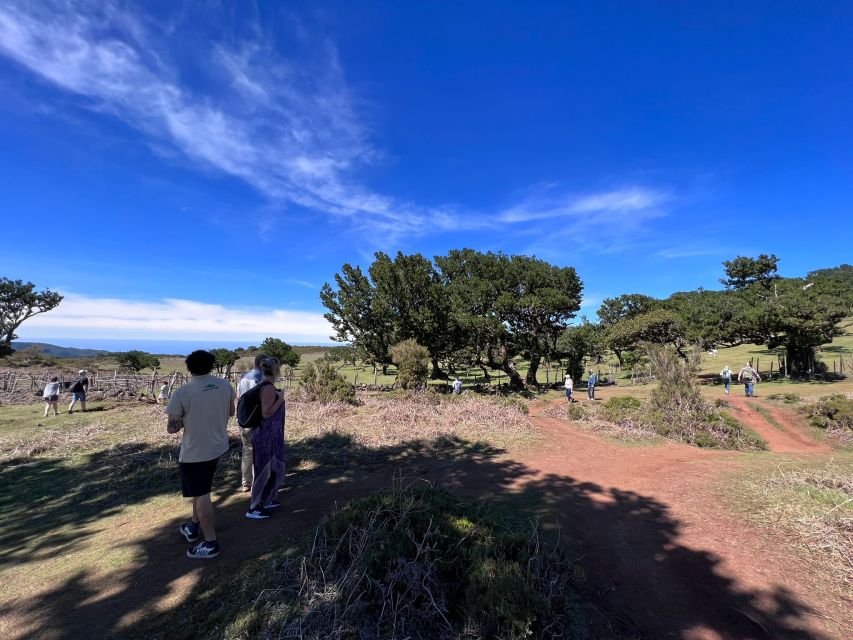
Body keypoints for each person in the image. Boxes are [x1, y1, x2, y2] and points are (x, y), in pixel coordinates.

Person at [166, 350, 236, 559]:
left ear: (189, 368)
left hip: (194, 452)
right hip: (218, 446)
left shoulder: (182, 392)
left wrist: (182, 420)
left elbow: (172, 428)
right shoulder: (224, 385)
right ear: (211, 366)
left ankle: (211, 543)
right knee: (200, 490)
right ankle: (193, 526)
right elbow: (231, 412)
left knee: (202, 493)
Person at [245, 357, 286, 520]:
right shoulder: (268, 388)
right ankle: (254, 506)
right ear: (276, 370)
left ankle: (266, 499)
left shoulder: (264, 385)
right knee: (263, 469)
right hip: (265, 435)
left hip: (270, 435)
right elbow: (266, 413)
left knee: (273, 468)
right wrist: (281, 399)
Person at [236, 353, 268, 492]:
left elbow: (238, 398)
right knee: (260, 451)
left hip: (243, 419)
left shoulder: (243, 377)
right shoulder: (262, 377)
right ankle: (259, 482)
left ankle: (246, 482)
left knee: (247, 451)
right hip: (258, 418)